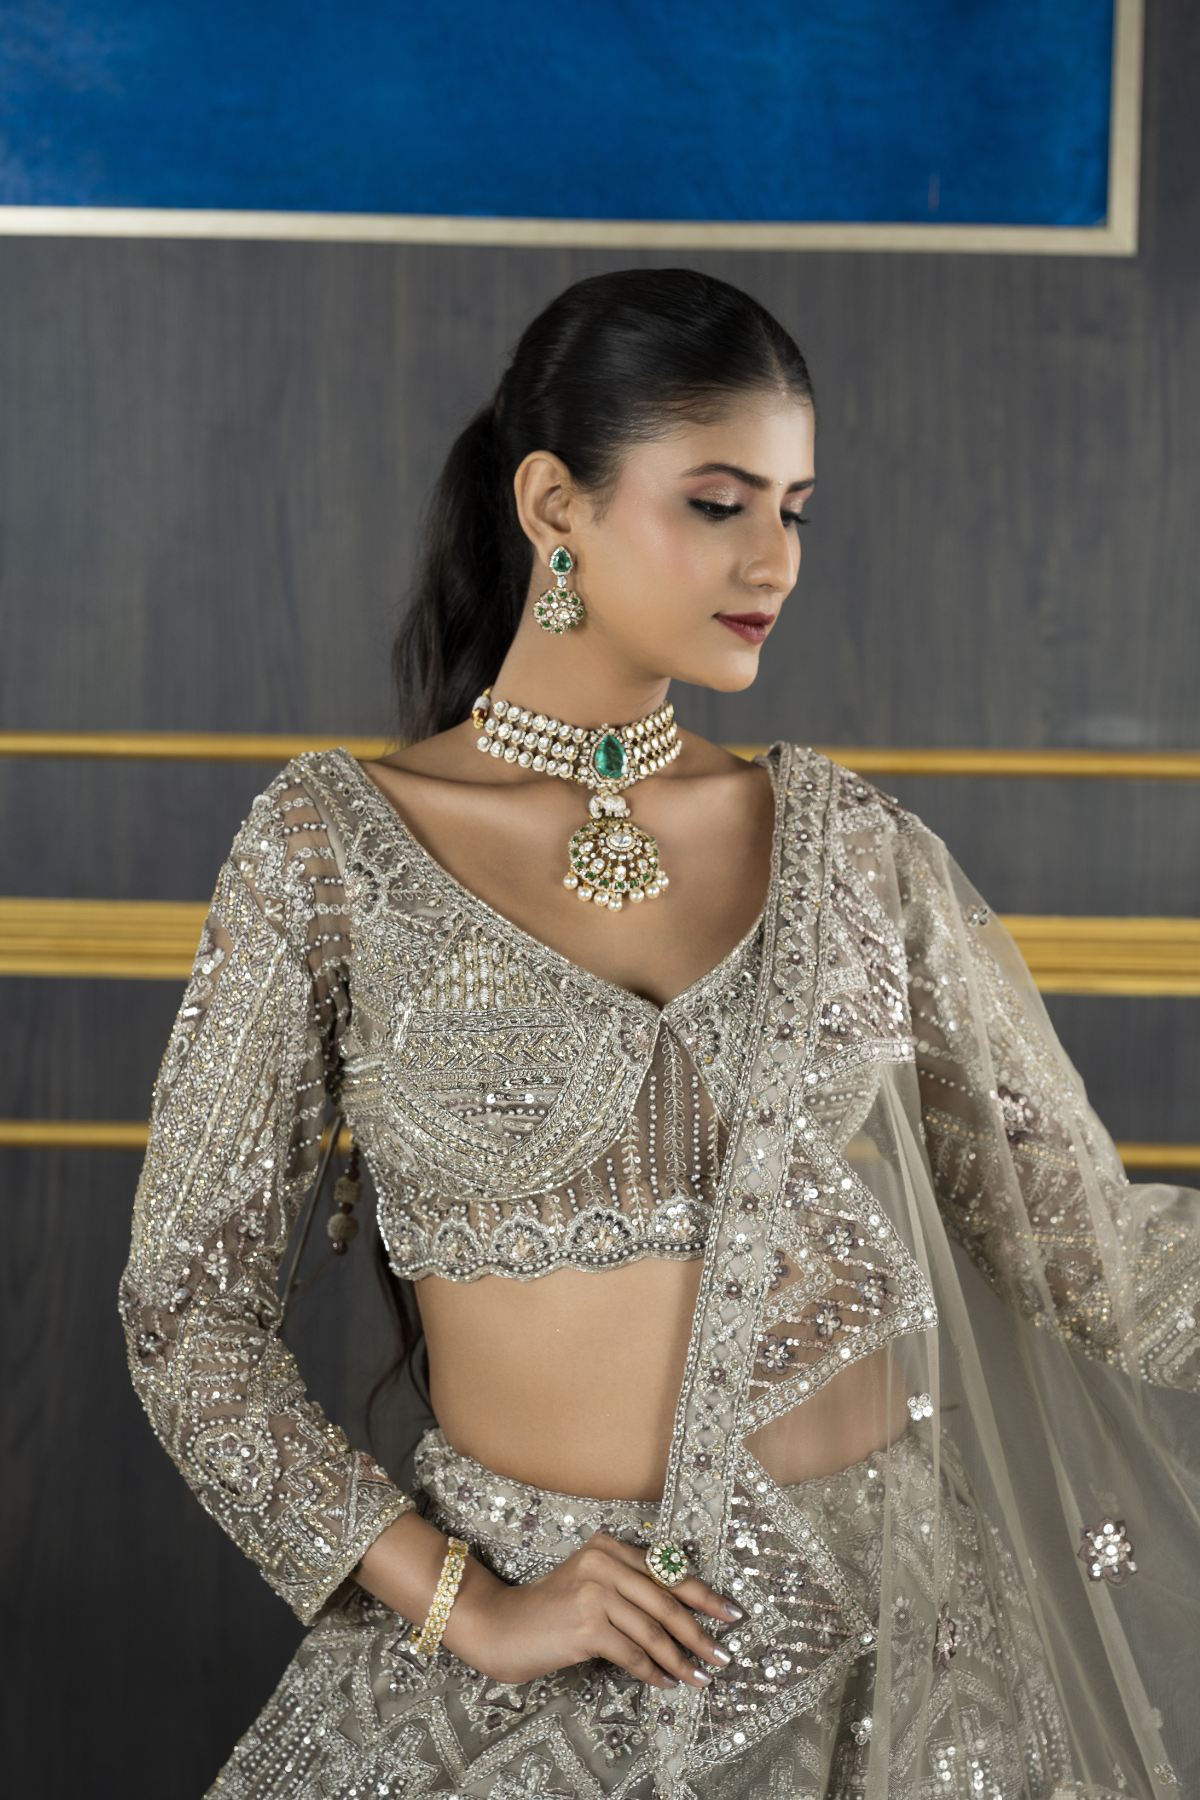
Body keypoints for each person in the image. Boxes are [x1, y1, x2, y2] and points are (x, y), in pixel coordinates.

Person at [121, 269, 1200, 1800]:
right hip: (554, 1655)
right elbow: (188, 1321)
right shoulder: (333, 854)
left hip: (901, 1669)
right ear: (552, 503)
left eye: (796, 510)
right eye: (717, 503)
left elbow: (1090, 1256)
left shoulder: (853, 851)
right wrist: (469, 1607)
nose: (776, 559)